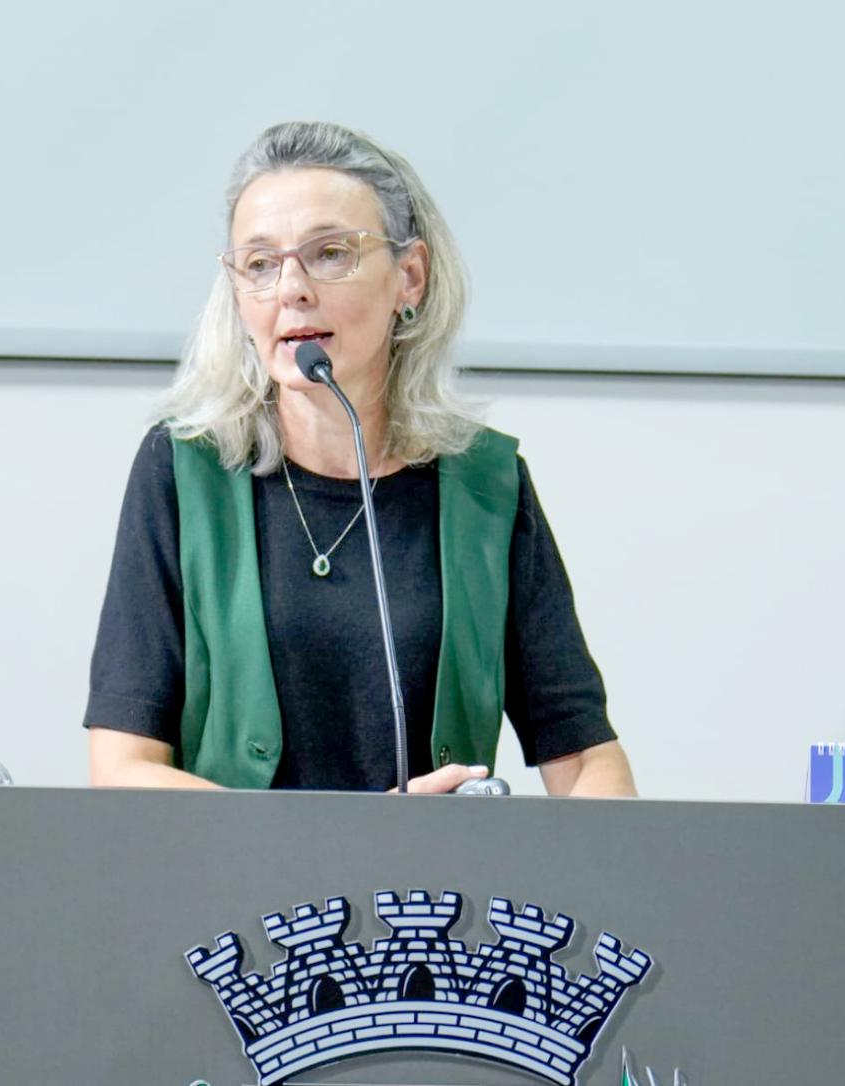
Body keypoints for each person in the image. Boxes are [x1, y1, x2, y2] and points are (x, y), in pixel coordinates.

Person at [85, 121, 635, 797]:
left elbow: (587, 759)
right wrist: (341, 845)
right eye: (259, 265)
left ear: (410, 276)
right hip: (238, 895)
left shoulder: (485, 487)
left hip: (431, 897)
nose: (291, 288)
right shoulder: (183, 473)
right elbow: (123, 770)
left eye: (329, 253)